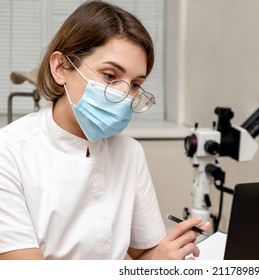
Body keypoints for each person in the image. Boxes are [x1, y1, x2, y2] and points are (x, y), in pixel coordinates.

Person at [0, 0, 210, 260]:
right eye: (110, 76)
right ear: (61, 68)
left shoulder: (129, 153)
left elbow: (144, 252)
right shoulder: (9, 152)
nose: (124, 94)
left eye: (135, 84)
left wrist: (168, 254)